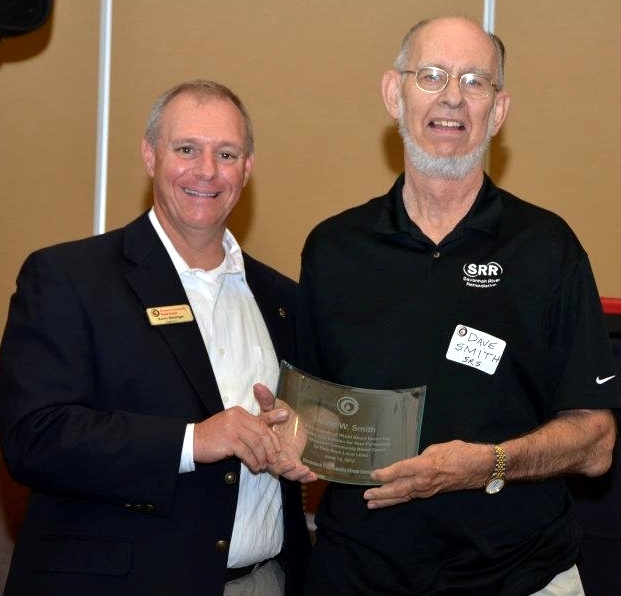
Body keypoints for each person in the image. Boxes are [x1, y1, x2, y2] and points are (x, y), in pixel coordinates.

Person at [296, 16, 620, 596]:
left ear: (498, 111)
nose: (452, 96)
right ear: (395, 94)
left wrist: (486, 465)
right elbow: (312, 420)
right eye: (432, 75)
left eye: (475, 81)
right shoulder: (333, 249)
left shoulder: (547, 248)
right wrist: (286, 433)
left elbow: (596, 441)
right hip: (358, 576)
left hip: (522, 577)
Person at [0, 79, 314, 596]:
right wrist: (194, 441)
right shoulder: (69, 277)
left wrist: (304, 439)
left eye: (227, 153)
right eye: (186, 149)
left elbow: (307, 428)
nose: (207, 171)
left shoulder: (284, 300)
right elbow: (33, 437)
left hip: (263, 583)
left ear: (248, 168)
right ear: (150, 155)